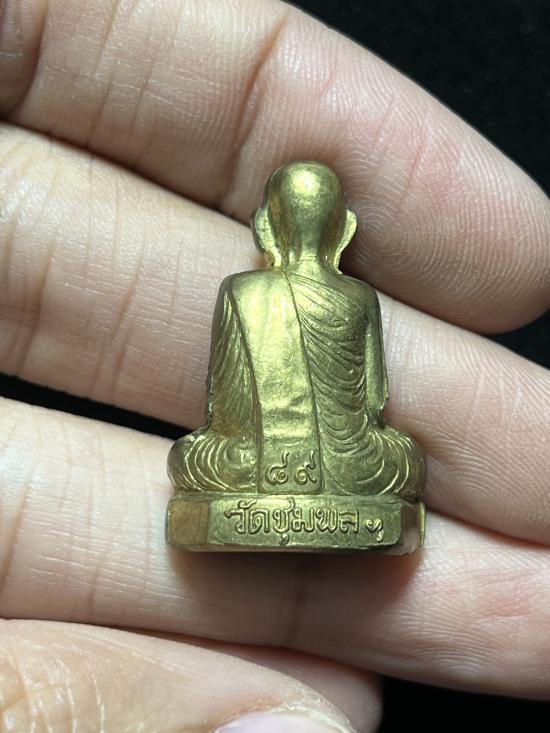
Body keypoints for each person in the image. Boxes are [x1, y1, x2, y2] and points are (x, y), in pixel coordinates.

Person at [0, 0, 548, 730]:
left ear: (268, 225)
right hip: (352, 470)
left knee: (199, 457)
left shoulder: (245, 293)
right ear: (341, 230)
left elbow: (224, 409)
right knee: (398, 459)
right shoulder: (353, 298)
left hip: (249, 468)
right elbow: (370, 399)